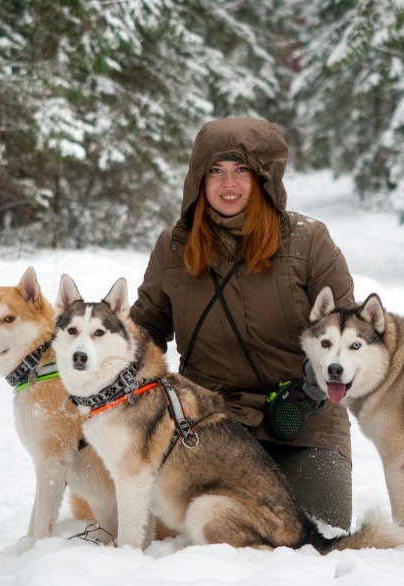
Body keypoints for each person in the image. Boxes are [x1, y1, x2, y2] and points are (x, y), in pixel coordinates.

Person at [129, 117, 356, 530]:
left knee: (317, 540)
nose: (227, 184)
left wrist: (311, 387)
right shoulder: (173, 247)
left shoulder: (307, 241)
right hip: (206, 425)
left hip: (302, 423)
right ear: (198, 178)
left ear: (264, 177)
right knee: (197, 538)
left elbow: (347, 333)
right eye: (215, 171)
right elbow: (142, 335)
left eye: (241, 171)